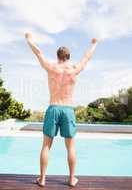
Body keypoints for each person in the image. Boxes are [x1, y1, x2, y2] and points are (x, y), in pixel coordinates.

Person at [25, 32, 98, 187]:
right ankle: (72, 179)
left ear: (57, 56)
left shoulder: (51, 68)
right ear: (69, 57)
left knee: (46, 145)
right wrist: (94, 43)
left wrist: (29, 40)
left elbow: (38, 52)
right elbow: (87, 57)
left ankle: (42, 179)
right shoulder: (74, 69)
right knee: (70, 146)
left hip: (53, 107)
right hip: (68, 109)